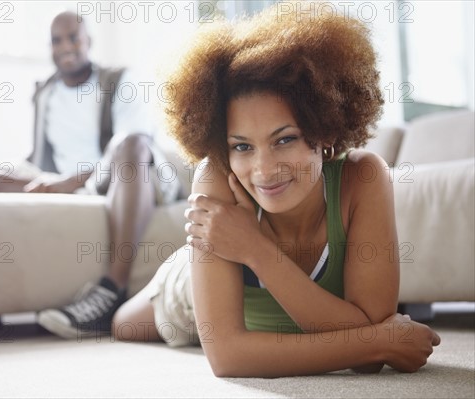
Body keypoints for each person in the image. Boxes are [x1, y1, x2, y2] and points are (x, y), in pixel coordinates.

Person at [112, 6, 440, 377]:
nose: (264, 170)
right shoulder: (217, 178)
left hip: (238, 241)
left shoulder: (363, 178)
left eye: (284, 139)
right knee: (123, 325)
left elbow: (366, 358)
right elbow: (228, 358)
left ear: (325, 132)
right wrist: (379, 341)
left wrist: (257, 250)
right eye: (242, 146)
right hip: (192, 285)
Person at [0, 11, 180, 338]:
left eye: (73, 37)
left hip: (116, 173)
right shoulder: (45, 92)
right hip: (61, 180)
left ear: (88, 41)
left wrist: (69, 182)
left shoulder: (119, 80)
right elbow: (37, 156)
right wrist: (42, 180)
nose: (66, 46)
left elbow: (136, 146)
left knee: (130, 144)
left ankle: (111, 290)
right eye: (57, 40)